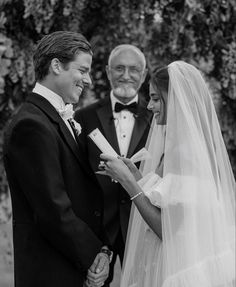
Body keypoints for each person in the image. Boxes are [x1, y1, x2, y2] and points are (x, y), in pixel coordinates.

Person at [100, 61, 236, 287]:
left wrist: (127, 182)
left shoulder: (187, 153)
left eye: (156, 98)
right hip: (160, 261)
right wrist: (134, 174)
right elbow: (165, 200)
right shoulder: (175, 147)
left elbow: (167, 229)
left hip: (176, 268)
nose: (150, 106)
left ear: (175, 100)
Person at [3, 31, 112, 287]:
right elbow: (53, 209)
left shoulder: (52, 117)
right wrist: (95, 256)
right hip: (50, 273)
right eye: (82, 70)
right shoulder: (31, 125)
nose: (87, 80)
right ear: (56, 65)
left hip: (68, 267)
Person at [74, 44, 153, 285]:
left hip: (143, 224)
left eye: (133, 69)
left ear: (144, 73)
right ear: (108, 72)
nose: (126, 75)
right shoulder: (83, 117)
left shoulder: (158, 118)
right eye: (119, 68)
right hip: (96, 228)